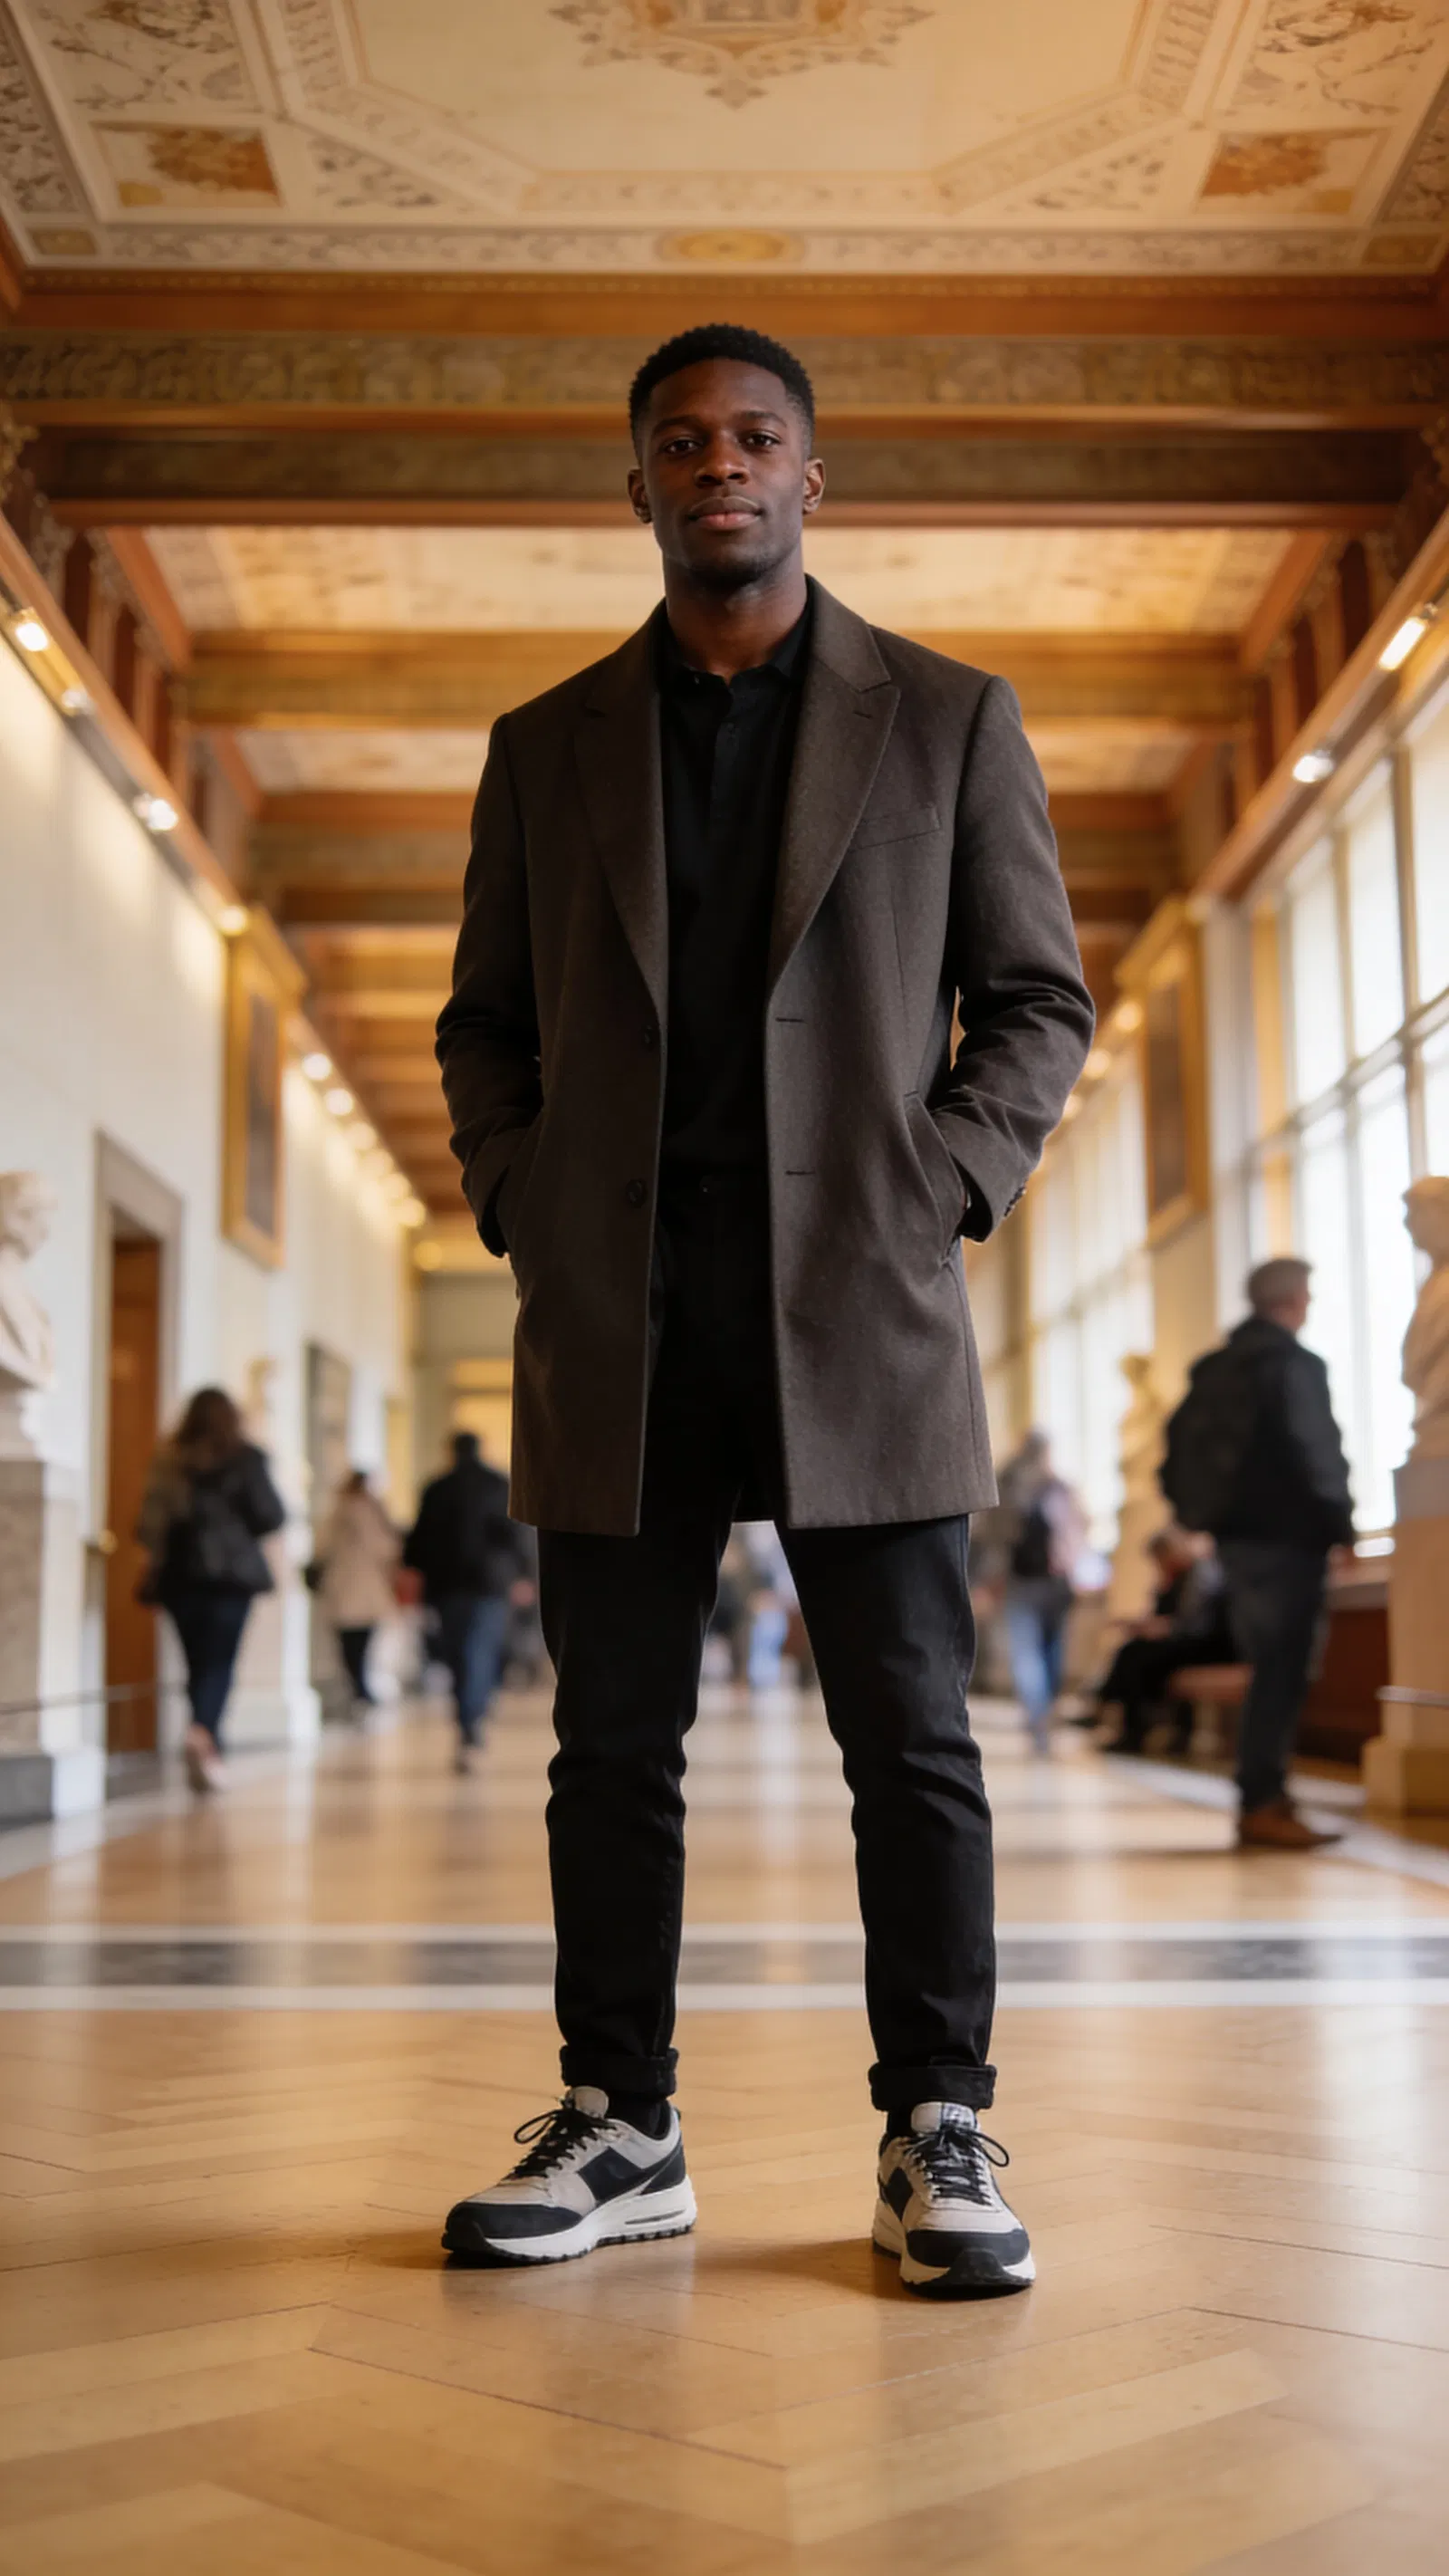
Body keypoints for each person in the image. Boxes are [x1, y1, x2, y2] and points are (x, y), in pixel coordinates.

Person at [434, 322, 1092, 2296]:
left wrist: (941, 1183)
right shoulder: (542, 749)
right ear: (633, 486)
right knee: (611, 1741)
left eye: (753, 438)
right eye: (678, 443)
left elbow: (1036, 1000)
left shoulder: (947, 719)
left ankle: (934, 2125)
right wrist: (521, 1200)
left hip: (859, 1299)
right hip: (615, 1314)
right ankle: (620, 2121)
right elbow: (484, 1022)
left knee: (907, 1736)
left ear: (813, 478)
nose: (716, 464)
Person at [1161, 1256, 1354, 1850]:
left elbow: (1173, 1458)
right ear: (1293, 1300)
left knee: (1267, 1667)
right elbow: (1314, 1449)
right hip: (1289, 1537)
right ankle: (1263, 1800)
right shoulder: (1294, 1364)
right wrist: (1341, 1522)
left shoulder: (1214, 1368)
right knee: (1283, 1669)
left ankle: (1264, 1795)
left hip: (1235, 1540)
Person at [136, 1386, 286, 1793]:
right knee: (220, 1662)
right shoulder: (245, 1457)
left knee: (196, 1663)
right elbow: (272, 1514)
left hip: (181, 1577)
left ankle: (203, 1734)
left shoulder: (170, 1460)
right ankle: (206, 1734)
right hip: (231, 1578)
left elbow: (149, 1524)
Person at [404, 1431, 531, 1770]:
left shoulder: (437, 1488)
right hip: (489, 1585)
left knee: (460, 1651)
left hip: (447, 1585)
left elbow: (419, 1541)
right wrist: (524, 1575)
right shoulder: (497, 1484)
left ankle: (469, 1715)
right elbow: (516, 1535)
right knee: (478, 1648)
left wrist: (413, 1571)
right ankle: (473, 1715)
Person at [976, 1432, 1085, 1754]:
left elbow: (991, 1538)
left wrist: (989, 1579)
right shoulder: (1058, 1489)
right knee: (1049, 1652)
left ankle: (1039, 1716)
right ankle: (1044, 1713)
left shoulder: (1008, 1486)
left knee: (1029, 1653)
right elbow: (1077, 1531)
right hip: (1050, 1581)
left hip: (1024, 1582)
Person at [1092, 1525, 1233, 1755]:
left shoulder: (1201, 1573)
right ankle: (1113, 1710)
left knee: (1135, 1655)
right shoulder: (1174, 1579)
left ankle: (1124, 1720)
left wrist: (1163, 1628)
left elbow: (1195, 1625)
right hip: (1185, 1642)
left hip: (1206, 1645)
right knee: (1133, 1651)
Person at [315, 1469, 399, 1714]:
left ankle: (358, 1689)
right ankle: (361, 1690)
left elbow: (322, 1547)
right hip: (364, 1586)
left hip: (342, 1585)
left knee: (348, 1644)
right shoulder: (370, 1511)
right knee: (361, 1643)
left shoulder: (337, 1510)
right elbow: (386, 1548)